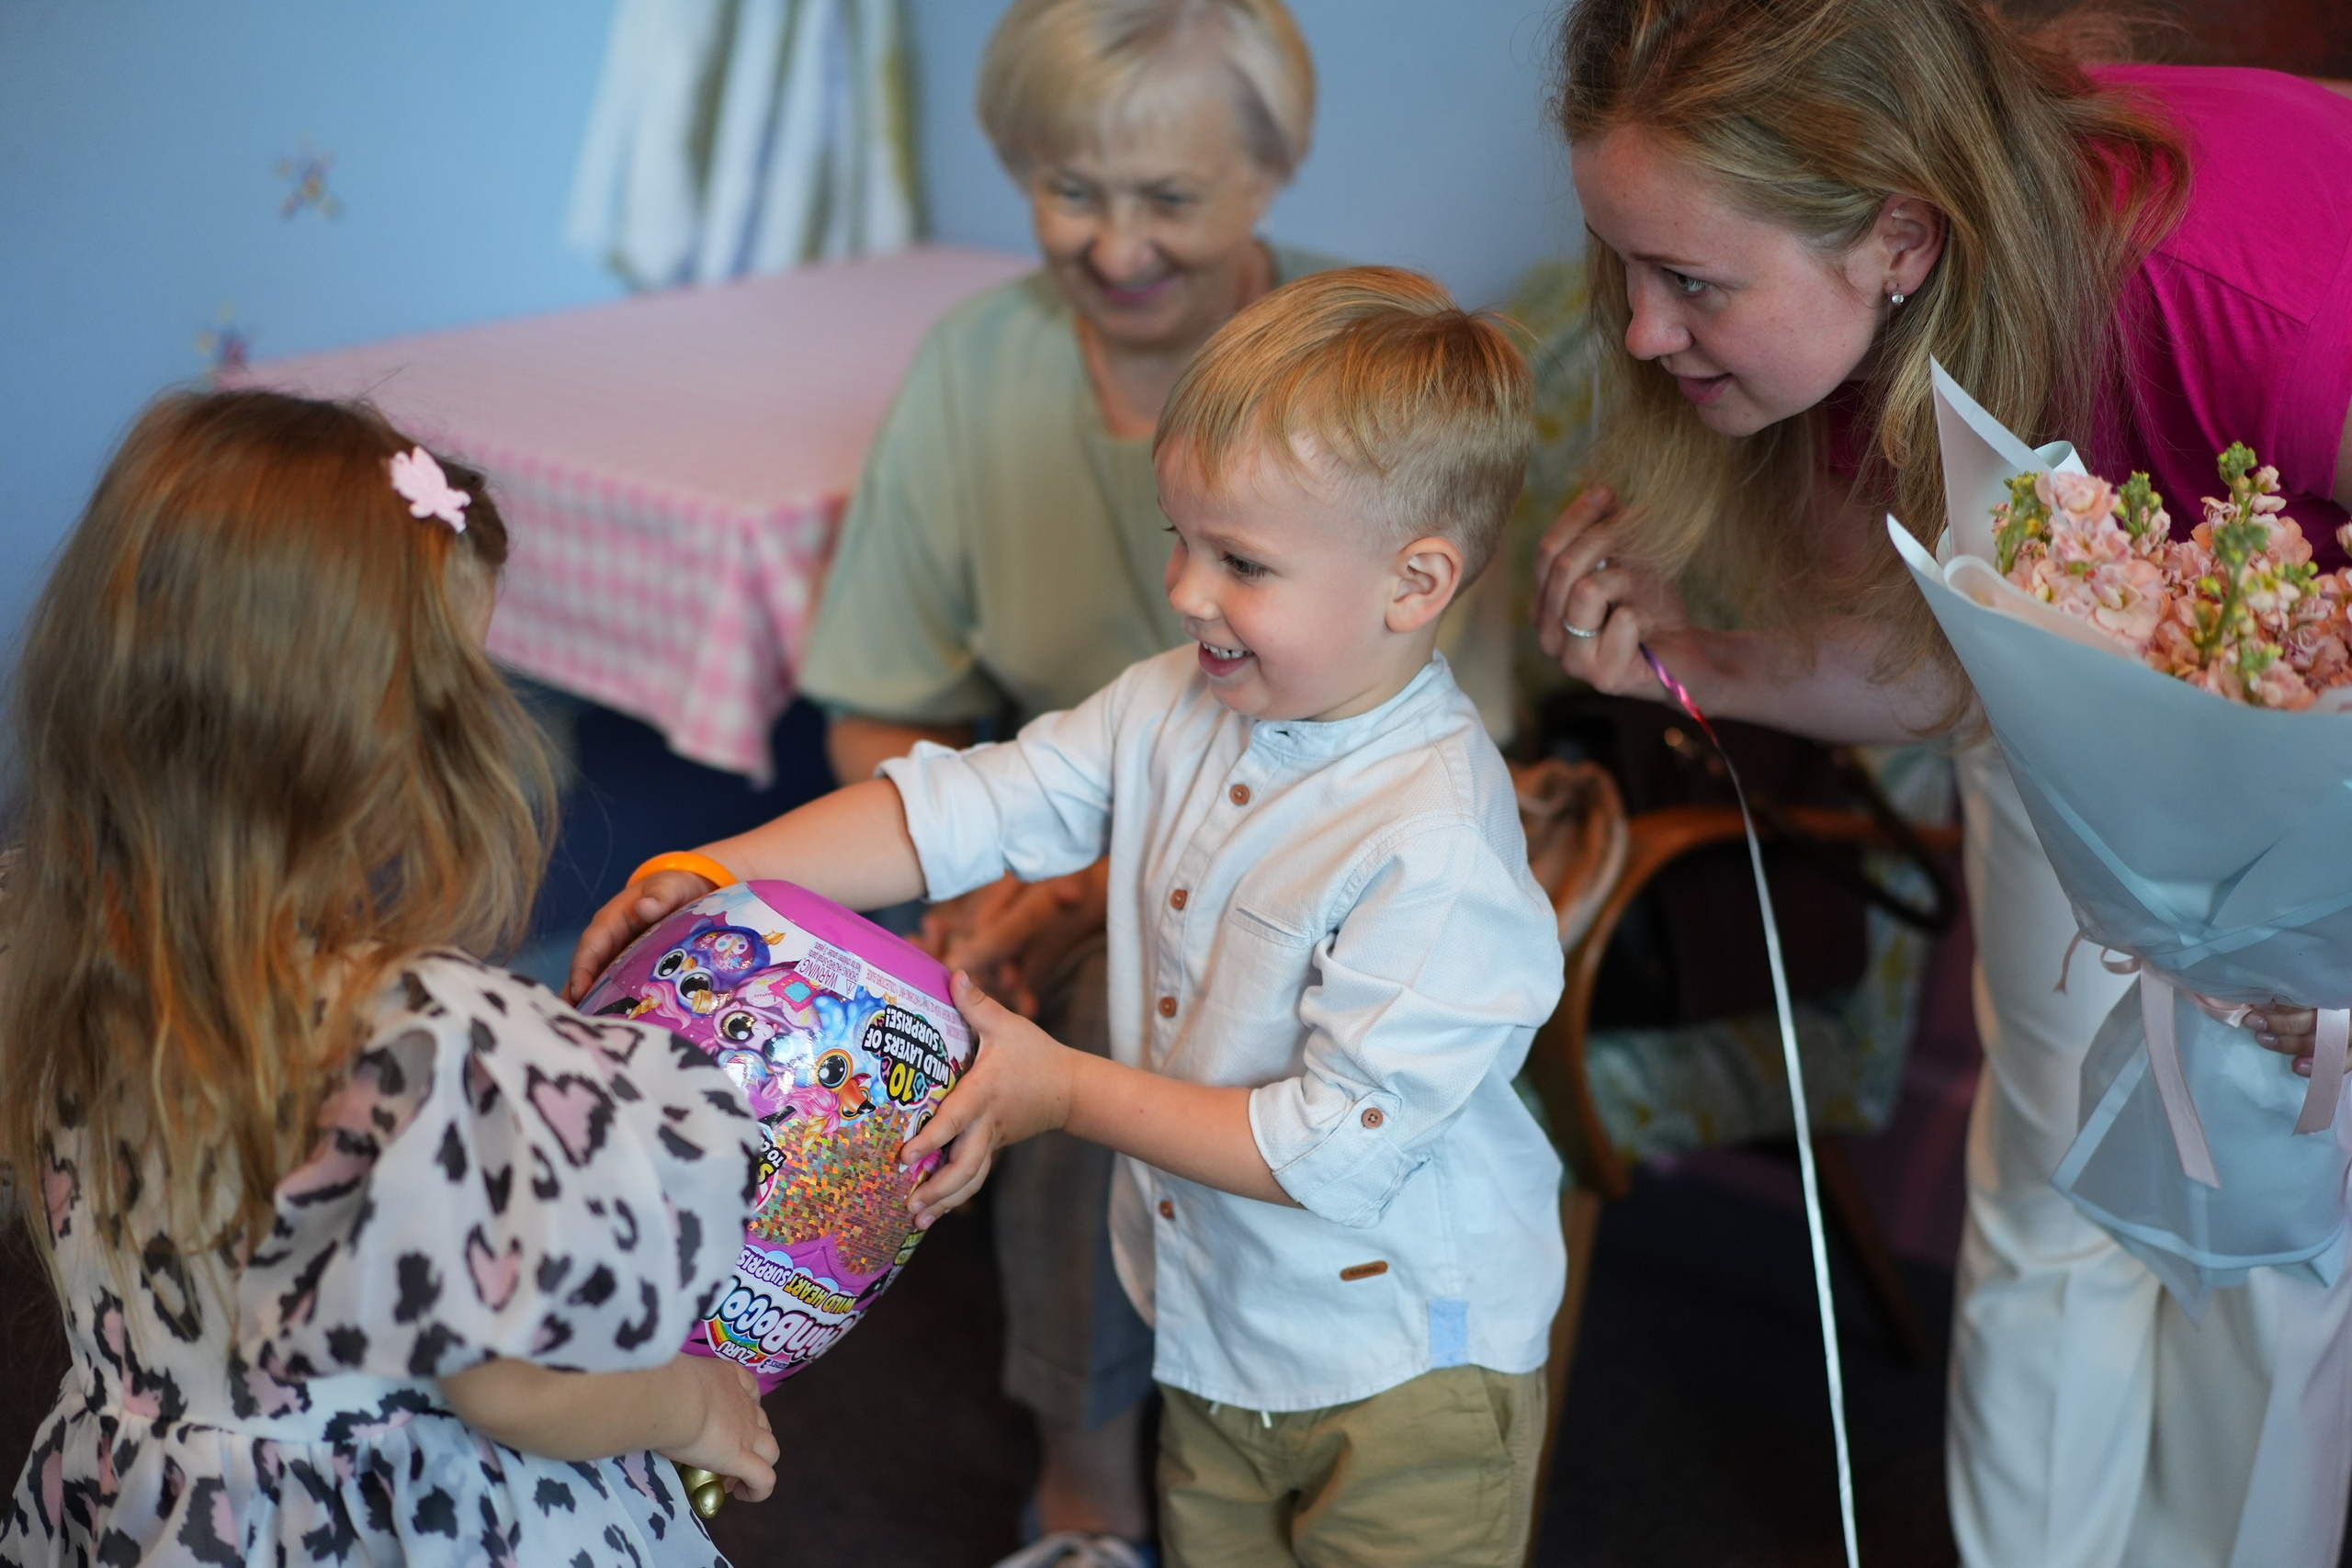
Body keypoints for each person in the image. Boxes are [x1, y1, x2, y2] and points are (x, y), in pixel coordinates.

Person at [572, 266, 1567, 1568]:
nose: (1186, 589)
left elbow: (1327, 1148)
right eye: (1180, 538)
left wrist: (1065, 1090)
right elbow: (960, 807)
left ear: (1413, 582)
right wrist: (716, 870)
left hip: (1406, 1368)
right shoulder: (1171, 701)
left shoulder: (1431, 842)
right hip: (1215, 1323)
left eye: (1241, 561)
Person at [1529, 3, 2352, 1564]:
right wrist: (1699, 663)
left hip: (2322, 736)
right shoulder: (1852, 343)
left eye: (1690, 282)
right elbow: (1941, 671)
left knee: (2272, 1239)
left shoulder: (2258, 293)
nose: (1635, 333)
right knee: (2055, 1179)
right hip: (2099, 693)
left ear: (1898, 236)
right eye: (1622, 267)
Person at [789, 3, 1515, 1559]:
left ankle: (1087, 1478)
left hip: (1379, 1295)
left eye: (1170, 198)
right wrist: (725, 873)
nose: (1118, 246)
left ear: (1270, 171)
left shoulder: (1371, 402)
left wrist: (1071, 955)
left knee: (1094, 1010)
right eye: (1073, 191)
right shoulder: (998, 414)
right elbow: (935, 769)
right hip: (1198, 1236)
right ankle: (1093, 1475)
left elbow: (1334, 1127)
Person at [0, 391, 778, 1568]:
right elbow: (515, 1389)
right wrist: (689, 1402)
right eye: (459, 683)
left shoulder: (42, 949)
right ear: (357, 736)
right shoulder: (425, 1038)